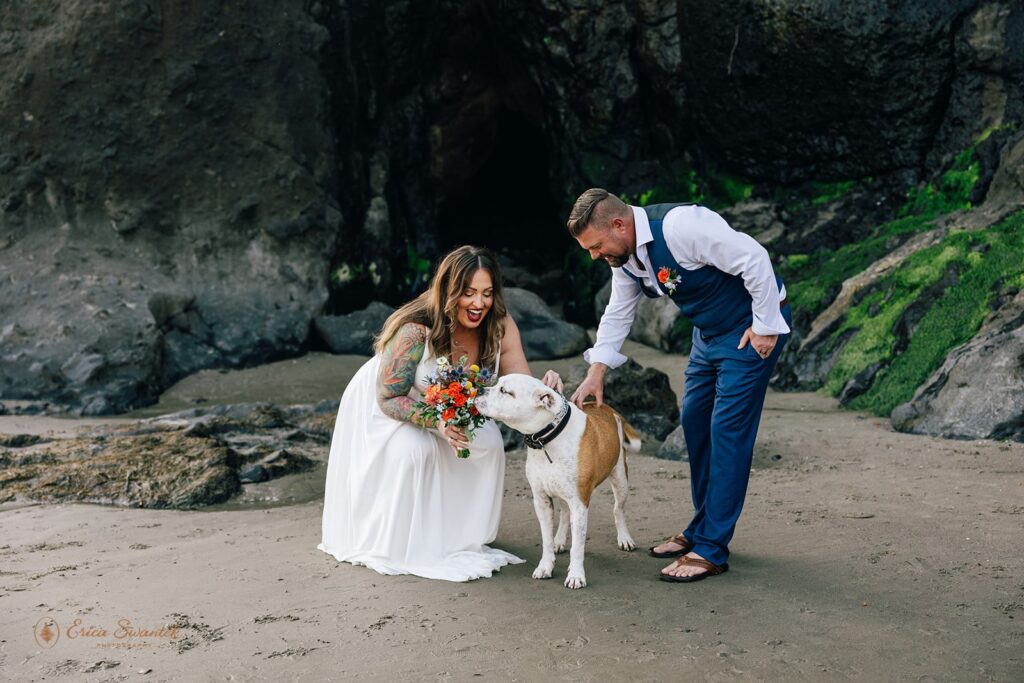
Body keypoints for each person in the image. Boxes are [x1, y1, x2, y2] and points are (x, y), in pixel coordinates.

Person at [566, 189, 791, 583]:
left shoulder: (681, 226)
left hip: (748, 332)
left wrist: (765, 326)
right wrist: (597, 369)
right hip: (706, 336)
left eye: (596, 246)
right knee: (694, 420)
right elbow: (619, 311)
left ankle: (712, 548)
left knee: (727, 432)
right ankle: (702, 526)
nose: (595, 256)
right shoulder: (626, 257)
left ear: (619, 224)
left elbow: (754, 257)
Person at [318, 245, 564, 581]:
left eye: (487, 293)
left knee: (488, 444)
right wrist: (437, 422)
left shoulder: (499, 326)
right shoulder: (416, 329)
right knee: (414, 451)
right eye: (469, 293)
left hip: (450, 405)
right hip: (391, 404)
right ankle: (401, 540)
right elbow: (390, 396)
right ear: (449, 292)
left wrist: (543, 392)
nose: (479, 303)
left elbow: (519, 383)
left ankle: (463, 538)